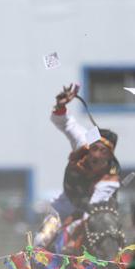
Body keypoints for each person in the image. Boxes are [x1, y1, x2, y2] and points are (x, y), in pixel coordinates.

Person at [35, 83, 122, 248]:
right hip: (63, 205)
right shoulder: (83, 140)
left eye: (102, 152)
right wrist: (60, 105)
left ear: (110, 156)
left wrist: (75, 221)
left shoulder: (110, 178)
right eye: (94, 149)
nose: (96, 155)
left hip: (91, 213)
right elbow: (64, 122)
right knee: (41, 241)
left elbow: (94, 206)